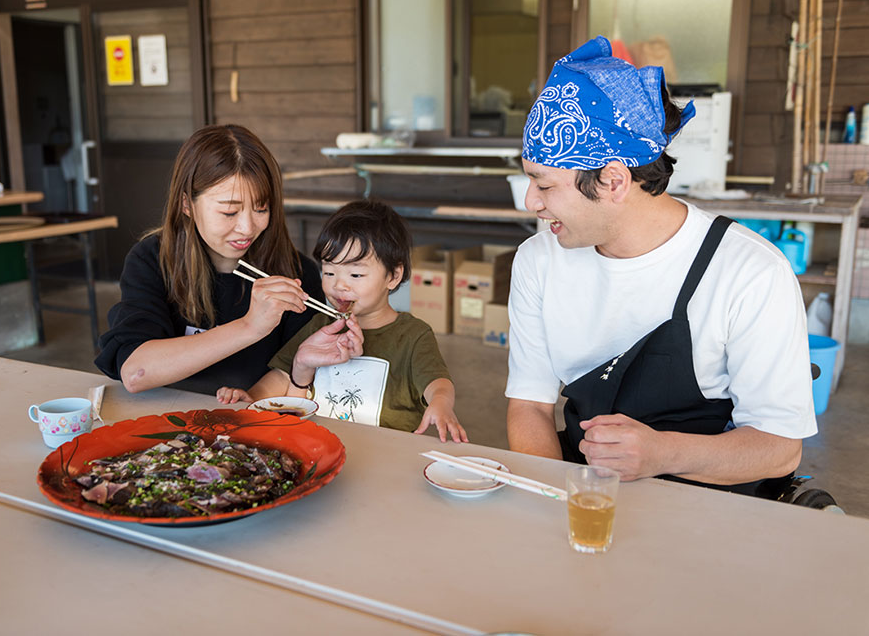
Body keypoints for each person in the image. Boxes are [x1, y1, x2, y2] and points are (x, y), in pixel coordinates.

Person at [506, 36, 816, 497]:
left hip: (714, 503)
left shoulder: (749, 272)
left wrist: (661, 454)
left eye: (544, 185)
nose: (531, 202)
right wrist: (566, 502)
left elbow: (779, 447)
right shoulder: (538, 261)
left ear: (613, 181)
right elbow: (529, 407)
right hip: (585, 490)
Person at [95, 124, 325, 395]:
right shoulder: (153, 260)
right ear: (186, 204)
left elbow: (297, 375)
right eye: (229, 212)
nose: (248, 227)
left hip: (253, 422)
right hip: (165, 418)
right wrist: (250, 326)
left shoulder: (294, 274)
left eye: (261, 208)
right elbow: (136, 372)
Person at [217, 200, 468, 443]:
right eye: (329, 272)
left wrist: (441, 403)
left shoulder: (413, 335)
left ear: (393, 276)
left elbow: (438, 382)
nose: (339, 285)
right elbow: (284, 377)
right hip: (320, 445)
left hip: (384, 453)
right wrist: (251, 399)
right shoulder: (321, 325)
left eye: (356, 273)